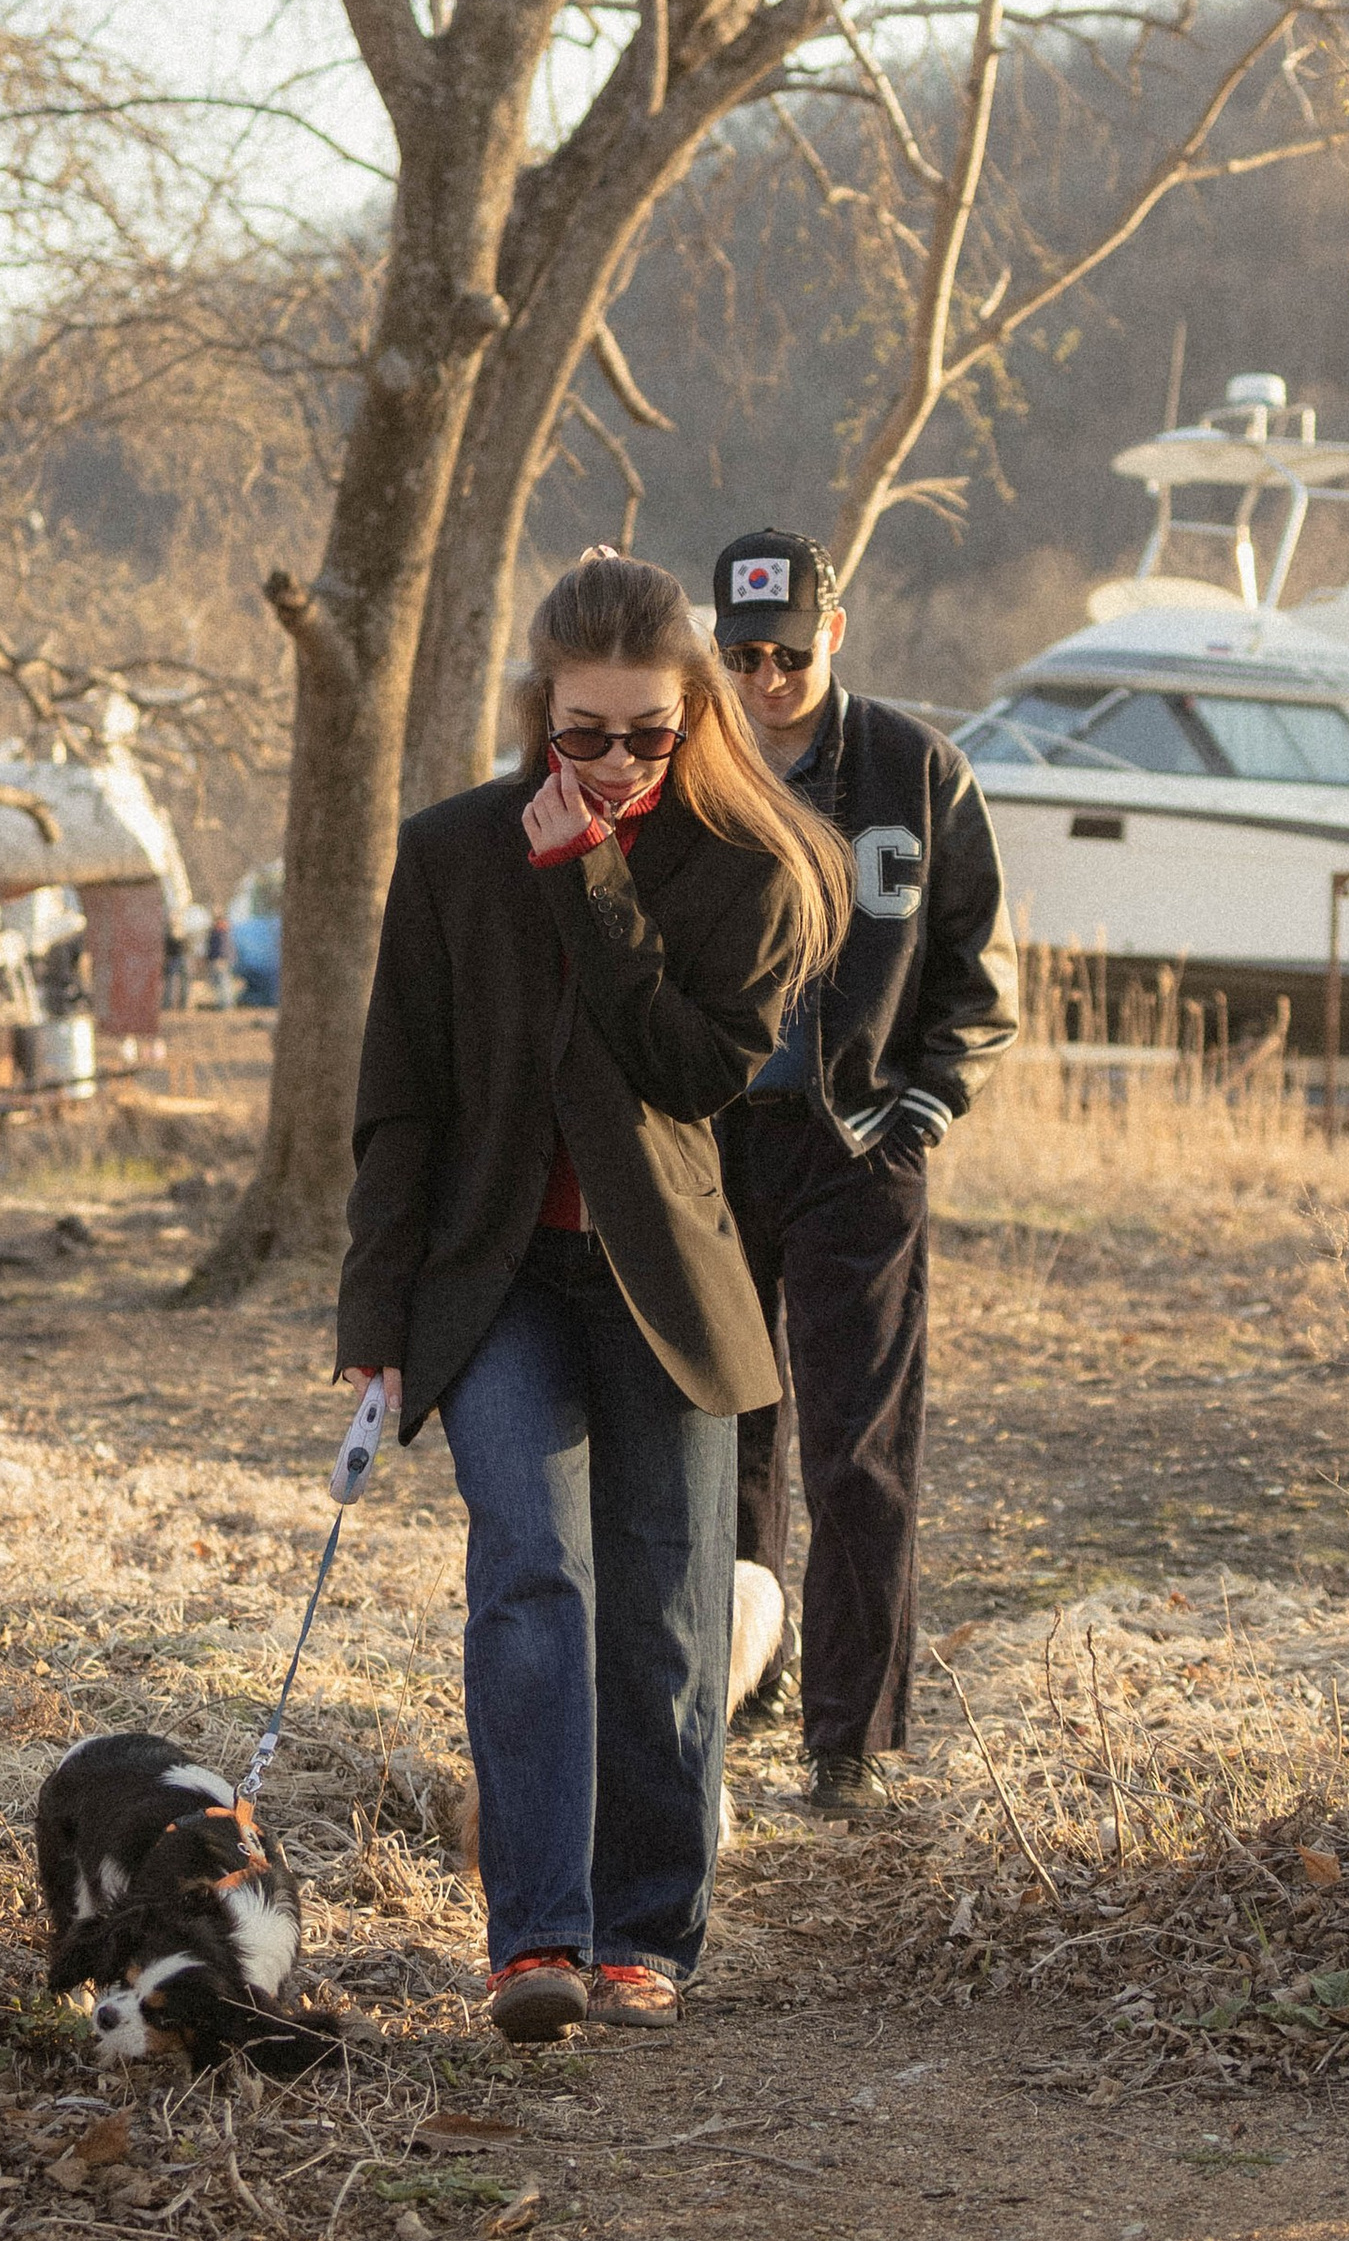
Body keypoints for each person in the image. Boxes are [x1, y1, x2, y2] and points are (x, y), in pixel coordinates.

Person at [336, 549, 852, 2042]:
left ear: (691, 717)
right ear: (537, 720)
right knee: (529, 1573)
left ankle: (646, 1929)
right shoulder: (446, 857)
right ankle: (535, 1938)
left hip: (667, 1285)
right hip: (496, 1277)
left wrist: (595, 882)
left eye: (645, 733)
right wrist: (375, 1324)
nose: (616, 762)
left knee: (666, 1612)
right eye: (585, 735)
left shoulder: (748, 865)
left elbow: (694, 1067)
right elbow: (399, 1108)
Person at [709, 526, 1017, 1819]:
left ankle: (850, 1736)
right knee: (724, 1432)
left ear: (832, 634)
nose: (766, 678)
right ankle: (735, 1672)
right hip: (716, 1136)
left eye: (787, 652)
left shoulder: (914, 767)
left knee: (856, 1447)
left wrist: (924, 1108)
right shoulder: (692, 766)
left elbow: (978, 968)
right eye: (739, 654)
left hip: (859, 1140)